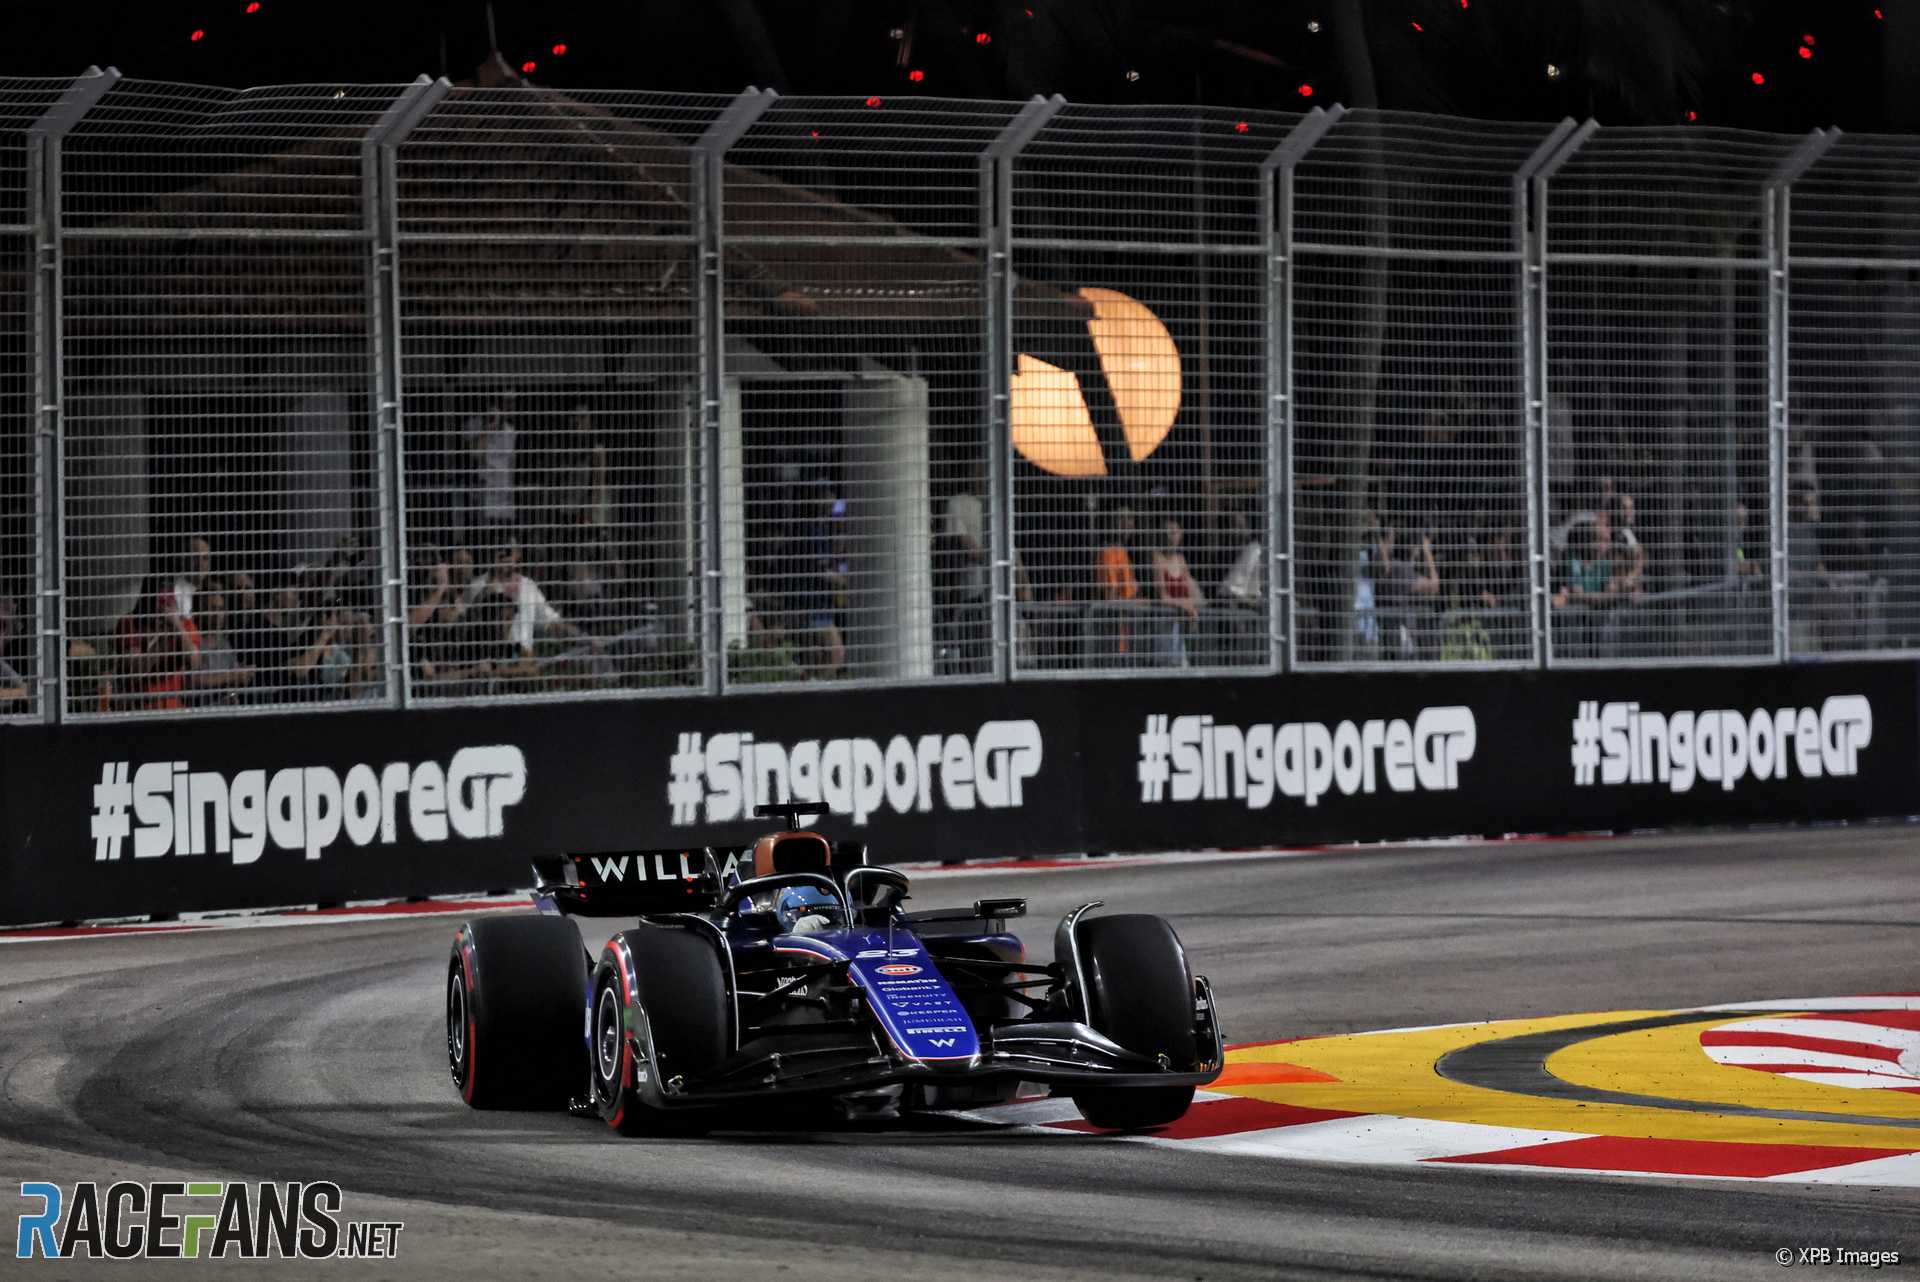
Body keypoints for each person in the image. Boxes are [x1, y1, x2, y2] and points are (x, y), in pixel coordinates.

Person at [461, 390, 518, 550]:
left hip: (503, 493)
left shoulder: (510, 431)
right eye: (505, 402)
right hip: (481, 491)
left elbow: (512, 463)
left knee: (503, 536)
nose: (508, 407)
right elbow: (474, 454)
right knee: (481, 536)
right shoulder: (474, 425)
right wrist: (487, 429)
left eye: (511, 403)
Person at [186, 586, 255, 700]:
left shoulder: (224, 642)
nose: (218, 614)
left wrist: (240, 678)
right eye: (212, 609)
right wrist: (231, 676)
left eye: (221, 609)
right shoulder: (192, 640)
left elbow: (233, 679)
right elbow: (190, 681)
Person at [1152, 518, 1204, 665]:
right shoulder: (1158, 558)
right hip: (1165, 622)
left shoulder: (1181, 560)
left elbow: (1191, 591)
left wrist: (1191, 605)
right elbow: (1163, 597)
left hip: (1181, 624)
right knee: (1167, 665)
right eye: (1169, 532)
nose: (1172, 536)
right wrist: (1185, 605)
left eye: (1175, 532)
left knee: (1182, 664)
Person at [1093, 506, 1140, 656]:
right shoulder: (1109, 552)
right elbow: (1111, 597)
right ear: (1111, 522)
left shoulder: (1124, 552)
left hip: (1128, 634)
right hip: (1113, 635)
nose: (1127, 523)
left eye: (1130, 518)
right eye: (1121, 518)